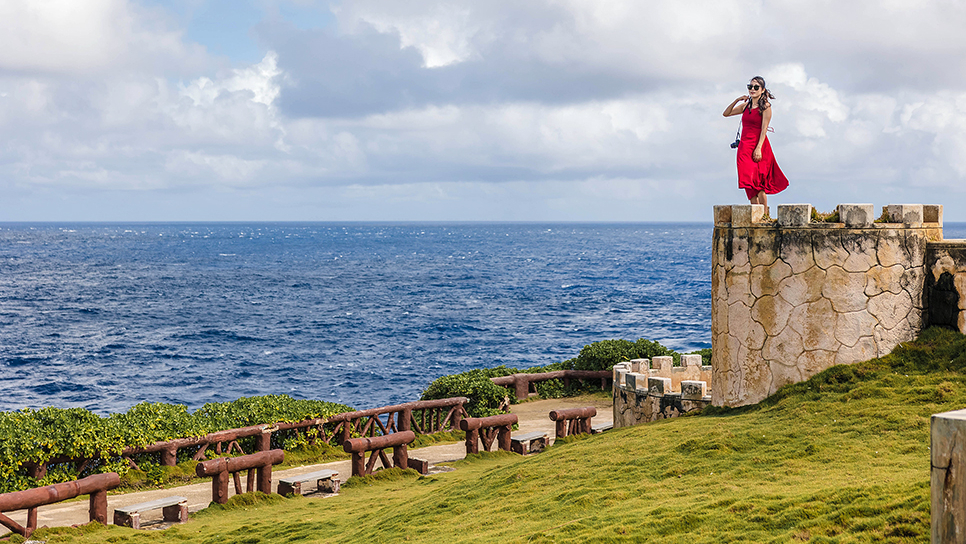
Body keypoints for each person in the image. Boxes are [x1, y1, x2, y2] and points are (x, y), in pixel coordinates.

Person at [723, 76, 788, 216]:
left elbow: (764, 129)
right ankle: (755, 211)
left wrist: (758, 148)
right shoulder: (745, 106)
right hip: (744, 146)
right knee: (747, 179)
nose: (752, 89)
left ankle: (764, 215)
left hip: (759, 145)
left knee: (759, 182)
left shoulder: (766, 107)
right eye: (750, 87)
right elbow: (726, 113)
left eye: (756, 87)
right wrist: (737, 100)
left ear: (762, 90)